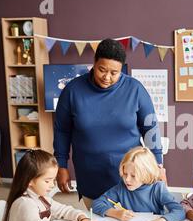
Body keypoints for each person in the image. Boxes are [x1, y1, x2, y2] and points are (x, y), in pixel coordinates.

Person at [54, 38, 163, 209]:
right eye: (102, 70)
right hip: (90, 175)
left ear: (122, 70)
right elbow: (62, 131)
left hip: (131, 176)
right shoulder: (72, 91)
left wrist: (157, 164)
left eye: (114, 73)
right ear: (94, 63)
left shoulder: (135, 89)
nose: (107, 77)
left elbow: (150, 128)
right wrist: (61, 165)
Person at [3, 150, 100, 221]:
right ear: (30, 180)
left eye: (53, 180)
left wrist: (82, 218)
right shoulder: (25, 204)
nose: (53, 185)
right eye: (47, 181)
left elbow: (63, 210)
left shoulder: (41, 197)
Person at [92, 146, 185, 221]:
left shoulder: (157, 188)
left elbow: (180, 211)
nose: (127, 179)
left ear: (146, 174)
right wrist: (115, 213)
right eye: (125, 174)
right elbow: (97, 203)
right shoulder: (122, 187)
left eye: (133, 176)